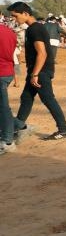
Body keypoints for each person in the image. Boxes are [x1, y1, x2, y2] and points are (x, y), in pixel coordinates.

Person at [6, 1, 66, 140]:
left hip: (40, 71)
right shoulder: (34, 28)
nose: (13, 19)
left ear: (25, 14)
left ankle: (64, 129)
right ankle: (17, 128)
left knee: (48, 99)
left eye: (15, 16)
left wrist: (35, 74)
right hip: (37, 70)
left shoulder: (35, 29)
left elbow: (42, 53)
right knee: (26, 98)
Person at [0, 16, 16, 154]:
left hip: (1, 72)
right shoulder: (9, 31)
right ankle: (18, 126)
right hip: (8, 71)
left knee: (3, 107)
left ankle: (7, 140)